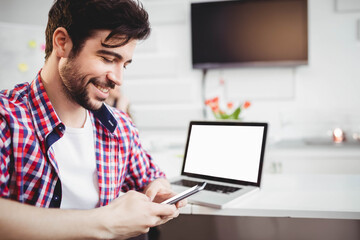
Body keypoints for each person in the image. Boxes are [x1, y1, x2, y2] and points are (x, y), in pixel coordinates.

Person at [0, 0, 186, 239]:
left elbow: (151, 176)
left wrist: (158, 188)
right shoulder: (7, 118)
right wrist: (107, 222)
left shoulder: (120, 127)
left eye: (124, 65)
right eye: (108, 58)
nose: (118, 79)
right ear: (62, 43)